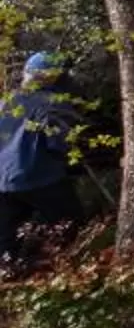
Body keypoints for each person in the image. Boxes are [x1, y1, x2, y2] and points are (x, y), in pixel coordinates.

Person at [0, 51, 82, 269]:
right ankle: (61, 267)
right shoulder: (54, 103)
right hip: (40, 175)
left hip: (4, 180)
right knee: (69, 222)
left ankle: (15, 274)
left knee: (7, 241)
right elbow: (59, 143)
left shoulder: (6, 103)